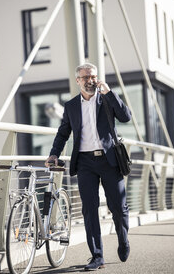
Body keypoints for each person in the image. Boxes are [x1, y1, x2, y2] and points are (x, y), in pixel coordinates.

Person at [45, 63, 131, 271]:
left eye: (93, 76)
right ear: (78, 81)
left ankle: (123, 239)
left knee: (118, 207)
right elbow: (63, 132)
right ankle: (97, 256)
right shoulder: (71, 106)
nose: (90, 80)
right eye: (85, 77)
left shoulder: (106, 100)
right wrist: (54, 153)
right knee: (89, 210)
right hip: (84, 163)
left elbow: (125, 117)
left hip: (109, 161)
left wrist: (110, 93)